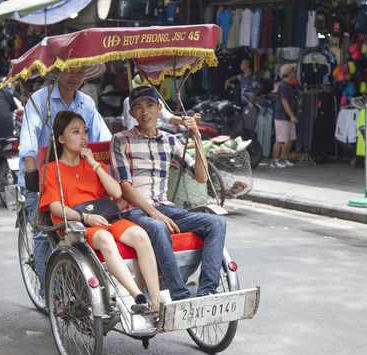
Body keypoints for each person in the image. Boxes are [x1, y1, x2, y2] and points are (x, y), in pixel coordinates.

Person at [39, 111, 161, 316]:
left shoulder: (94, 165)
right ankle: (138, 296)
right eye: (76, 132)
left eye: (84, 132)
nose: (83, 137)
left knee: (141, 235)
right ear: (61, 138)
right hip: (75, 226)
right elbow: (55, 208)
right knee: (104, 236)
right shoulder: (51, 170)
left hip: (105, 218)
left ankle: (156, 302)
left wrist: (95, 164)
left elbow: (116, 192)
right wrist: (86, 218)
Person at [111, 86, 226, 301]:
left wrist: (198, 138)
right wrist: (155, 214)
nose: (145, 112)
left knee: (216, 223)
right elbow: (124, 188)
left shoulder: (170, 141)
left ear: (159, 108)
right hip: (133, 211)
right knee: (157, 225)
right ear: (131, 113)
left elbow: (201, 177)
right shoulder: (121, 140)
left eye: (150, 106)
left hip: (164, 207)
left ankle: (207, 292)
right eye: (138, 107)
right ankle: (180, 296)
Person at [19, 65, 110, 299]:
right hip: (42, 179)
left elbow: (102, 137)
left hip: (75, 177)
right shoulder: (40, 101)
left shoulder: (86, 103)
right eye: (70, 70)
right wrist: (31, 165)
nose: (75, 76)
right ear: (58, 71)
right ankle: (52, 295)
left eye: (80, 72)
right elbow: (29, 137)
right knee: (43, 234)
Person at [271, 64, 298, 168]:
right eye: (293, 72)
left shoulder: (287, 85)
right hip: (282, 116)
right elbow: (284, 101)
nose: (294, 74)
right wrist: (291, 115)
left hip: (287, 116)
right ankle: (274, 160)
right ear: (290, 73)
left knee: (291, 138)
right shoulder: (283, 85)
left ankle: (283, 158)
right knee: (280, 139)